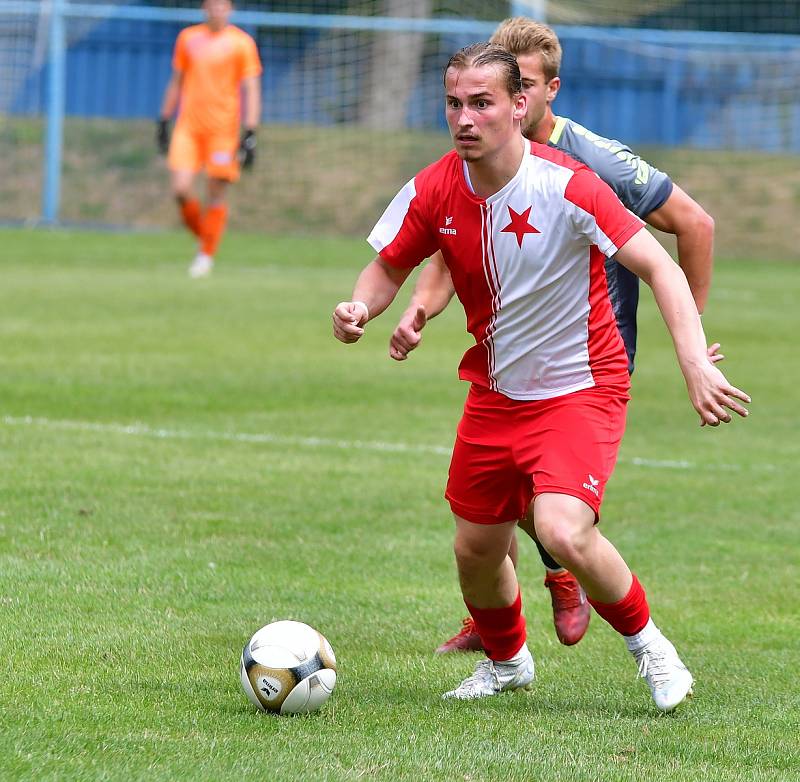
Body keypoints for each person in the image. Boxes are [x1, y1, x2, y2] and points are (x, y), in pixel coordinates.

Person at [333, 42, 749, 710]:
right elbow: (389, 264)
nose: (464, 118)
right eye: (453, 103)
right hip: (496, 393)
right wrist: (361, 306)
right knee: (475, 548)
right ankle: (507, 663)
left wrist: (694, 360)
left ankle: (652, 650)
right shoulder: (434, 186)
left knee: (561, 529)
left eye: (481, 103)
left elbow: (661, 266)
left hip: (582, 387)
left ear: (520, 104)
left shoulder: (569, 183)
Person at [156, 0, 262, 278]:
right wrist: (164, 119)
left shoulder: (242, 43)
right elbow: (177, 80)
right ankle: (207, 238)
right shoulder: (188, 39)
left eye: (222, 5)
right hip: (188, 128)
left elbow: (251, 89)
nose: (217, 9)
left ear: (230, 9)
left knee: (216, 191)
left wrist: (250, 132)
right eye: (212, 4)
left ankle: (205, 255)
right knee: (180, 190)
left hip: (223, 132)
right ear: (204, 8)